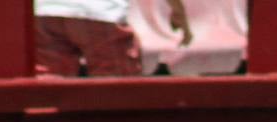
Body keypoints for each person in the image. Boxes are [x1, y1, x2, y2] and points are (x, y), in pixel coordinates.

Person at [33, 1, 191, 77]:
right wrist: (178, 10)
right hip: (98, 11)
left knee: (51, 87)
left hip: (44, 12)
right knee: (115, 87)